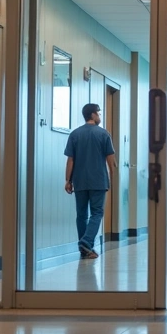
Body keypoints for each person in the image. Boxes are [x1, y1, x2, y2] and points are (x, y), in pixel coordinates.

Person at [64, 103, 117, 259]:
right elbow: (111, 161)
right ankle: (86, 242)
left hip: (79, 181)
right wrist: (112, 178)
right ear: (93, 115)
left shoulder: (75, 134)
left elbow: (70, 161)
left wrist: (68, 180)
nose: (100, 116)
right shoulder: (104, 134)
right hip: (98, 181)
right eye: (99, 113)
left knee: (81, 215)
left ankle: (84, 250)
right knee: (97, 213)